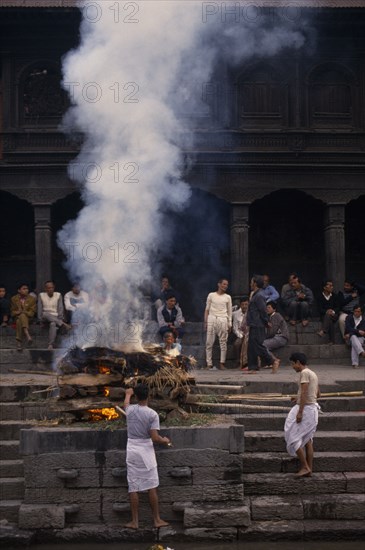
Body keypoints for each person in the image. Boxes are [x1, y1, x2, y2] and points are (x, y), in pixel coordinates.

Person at [123, 384, 170, 530]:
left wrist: (128, 394)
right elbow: (155, 438)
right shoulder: (152, 414)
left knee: (133, 486)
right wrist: (165, 440)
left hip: (132, 449)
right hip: (145, 450)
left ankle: (135, 522)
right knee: (152, 486)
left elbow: (125, 404)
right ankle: (156, 519)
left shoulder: (130, 410)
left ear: (136, 397)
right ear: (148, 396)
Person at [284, 352, 321, 477]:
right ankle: (309, 469)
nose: (292, 366)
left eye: (293, 364)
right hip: (312, 409)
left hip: (306, 410)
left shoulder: (304, 373)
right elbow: (317, 394)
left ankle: (305, 466)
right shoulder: (313, 373)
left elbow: (305, 392)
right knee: (308, 440)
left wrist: (300, 411)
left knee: (292, 437)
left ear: (298, 362)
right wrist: (298, 398)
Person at [243, 275, 272, 373]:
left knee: (257, 345)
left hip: (258, 323)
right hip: (253, 323)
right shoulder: (255, 294)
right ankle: (253, 367)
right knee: (251, 347)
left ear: (255, 283)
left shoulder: (259, 295)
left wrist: (266, 321)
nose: (250, 284)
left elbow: (263, 310)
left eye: (251, 282)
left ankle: (272, 360)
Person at [204, 278, 232, 370]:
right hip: (212, 318)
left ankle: (222, 363)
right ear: (219, 284)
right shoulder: (211, 295)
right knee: (209, 342)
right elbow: (207, 309)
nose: (225, 286)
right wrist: (206, 322)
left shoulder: (228, 297)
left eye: (227, 285)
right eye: (224, 284)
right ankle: (209, 363)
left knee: (223, 342)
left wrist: (229, 323)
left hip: (223, 319)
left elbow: (229, 311)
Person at [38, 280, 70, 350]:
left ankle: (50, 344)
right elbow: (40, 309)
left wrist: (60, 318)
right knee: (45, 313)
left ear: (54, 288)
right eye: (48, 288)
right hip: (45, 317)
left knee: (53, 324)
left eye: (52, 287)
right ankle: (63, 324)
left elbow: (60, 308)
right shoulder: (41, 295)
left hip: (56, 318)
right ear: (45, 289)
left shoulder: (58, 295)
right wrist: (40, 320)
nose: (50, 289)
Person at [262, 301, 289, 372]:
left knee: (263, 344)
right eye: (266, 307)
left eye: (269, 307)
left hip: (281, 337)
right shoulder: (271, 316)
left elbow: (272, 331)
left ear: (274, 309)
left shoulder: (276, 316)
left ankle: (274, 360)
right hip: (276, 337)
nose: (267, 309)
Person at [10, 283, 36, 350]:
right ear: (19, 290)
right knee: (19, 318)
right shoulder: (13, 299)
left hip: (29, 318)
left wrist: (24, 312)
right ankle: (27, 334)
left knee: (21, 318)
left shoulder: (32, 299)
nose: (26, 290)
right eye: (24, 289)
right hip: (17, 317)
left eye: (27, 289)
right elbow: (12, 312)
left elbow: (32, 313)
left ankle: (19, 343)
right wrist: (17, 312)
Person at [232, 296, 249, 369]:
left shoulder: (251, 313)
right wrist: (241, 336)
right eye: (243, 304)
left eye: (246, 304)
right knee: (237, 344)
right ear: (240, 305)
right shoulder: (236, 314)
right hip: (240, 335)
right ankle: (238, 361)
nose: (244, 306)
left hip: (249, 335)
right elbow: (235, 328)